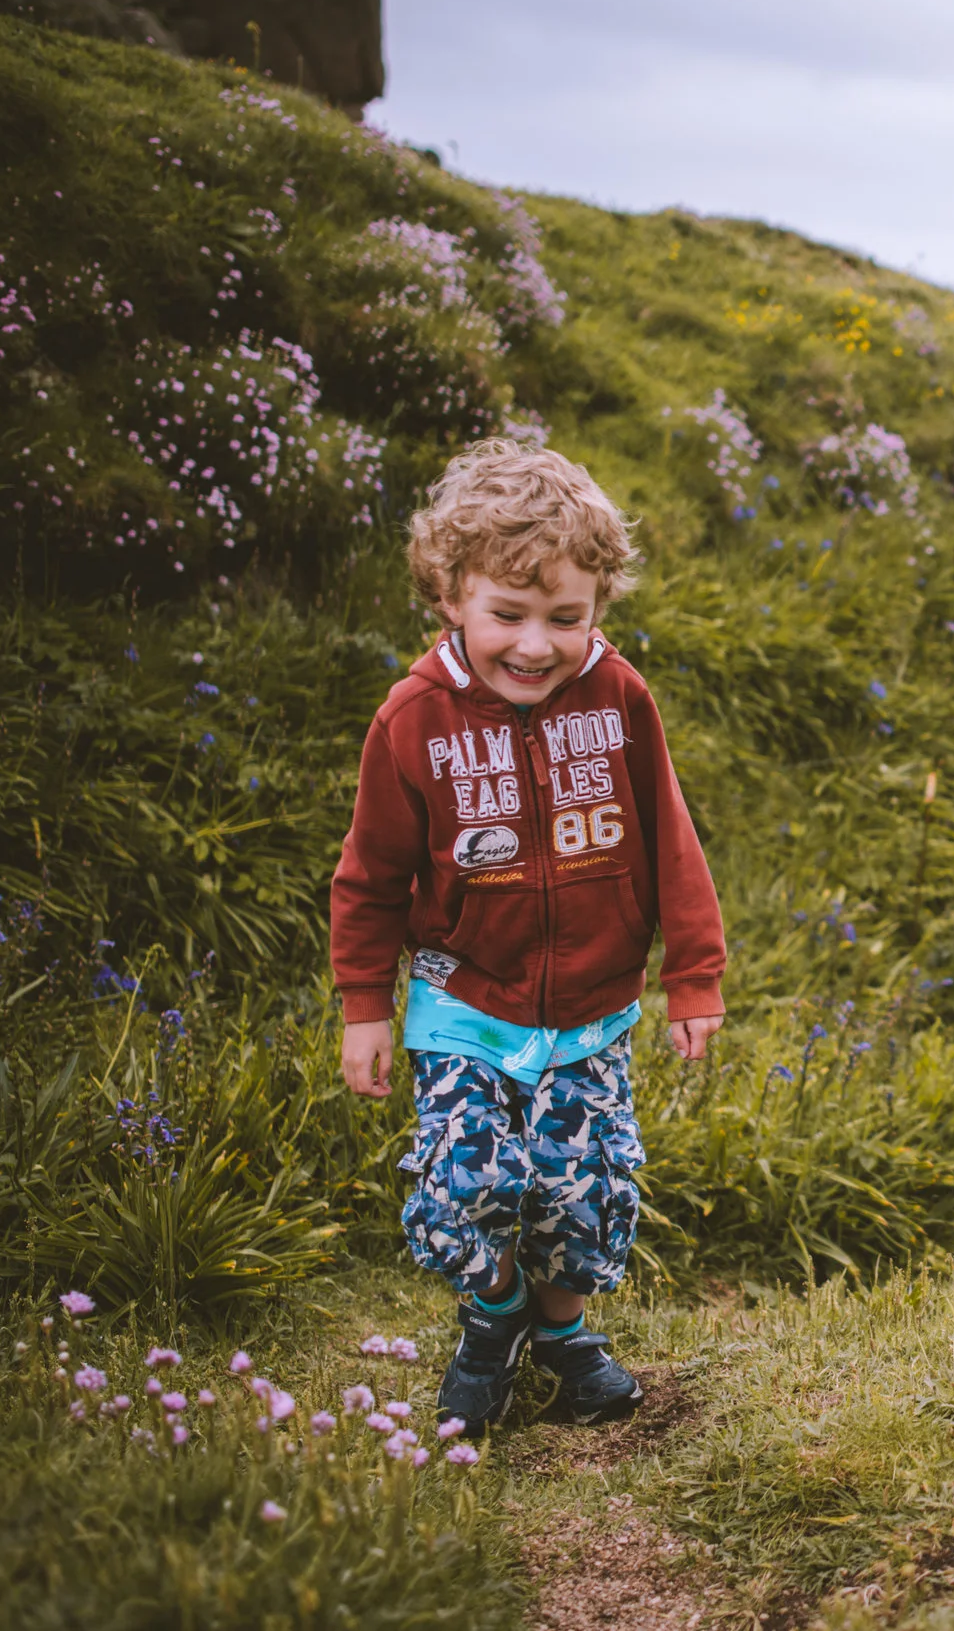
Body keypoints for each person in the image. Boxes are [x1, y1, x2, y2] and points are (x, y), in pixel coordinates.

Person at [331, 440, 728, 1435]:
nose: (537, 644)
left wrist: (695, 977)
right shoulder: (412, 719)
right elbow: (370, 875)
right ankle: (493, 1316)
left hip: (591, 1008)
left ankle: (563, 1330)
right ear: (449, 597)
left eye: (567, 617)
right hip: (463, 1001)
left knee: (581, 1188)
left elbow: (670, 841)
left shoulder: (620, 699)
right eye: (508, 614)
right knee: (470, 1175)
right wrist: (365, 1009)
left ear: (599, 605)